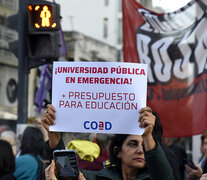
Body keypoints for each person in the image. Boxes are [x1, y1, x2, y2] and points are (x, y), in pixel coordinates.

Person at [41, 104, 173, 180]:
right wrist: (54, 137)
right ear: (118, 151)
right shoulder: (101, 177)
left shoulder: (155, 177)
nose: (140, 150)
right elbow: (67, 172)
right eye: (133, 144)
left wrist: (148, 135)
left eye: (144, 146)